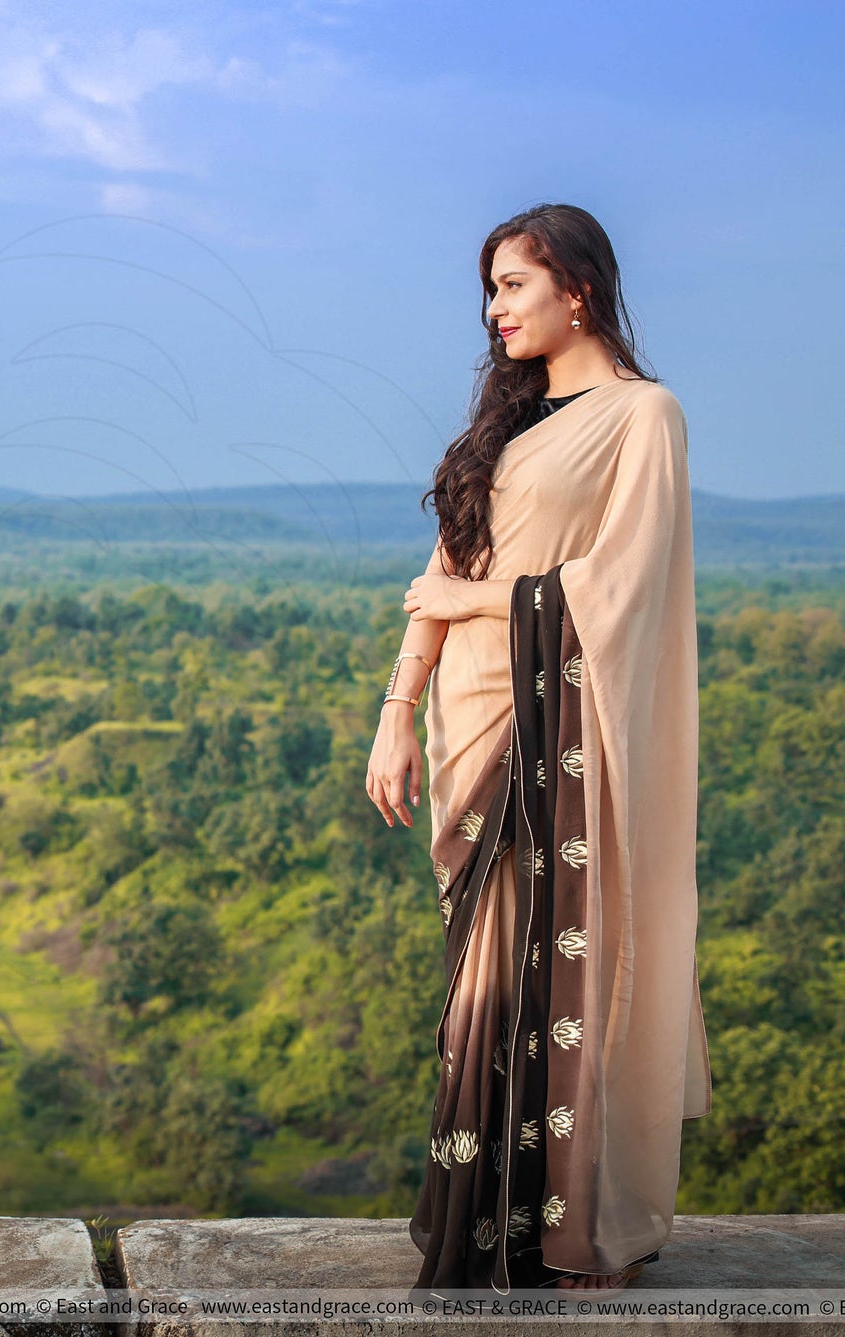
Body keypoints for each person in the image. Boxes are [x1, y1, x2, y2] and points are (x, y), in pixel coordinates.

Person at [364, 203, 713, 1295]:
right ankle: (484, 1217)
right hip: (466, 723)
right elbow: (442, 559)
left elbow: (621, 589)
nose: (492, 308)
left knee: (563, 958)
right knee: (483, 977)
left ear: (577, 289)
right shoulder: (508, 423)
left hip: (560, 731)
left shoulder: (640, 415)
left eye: (511, 284)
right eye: (489, 289)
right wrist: (394, 705)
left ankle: (577, 1227)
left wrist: (471, 599)